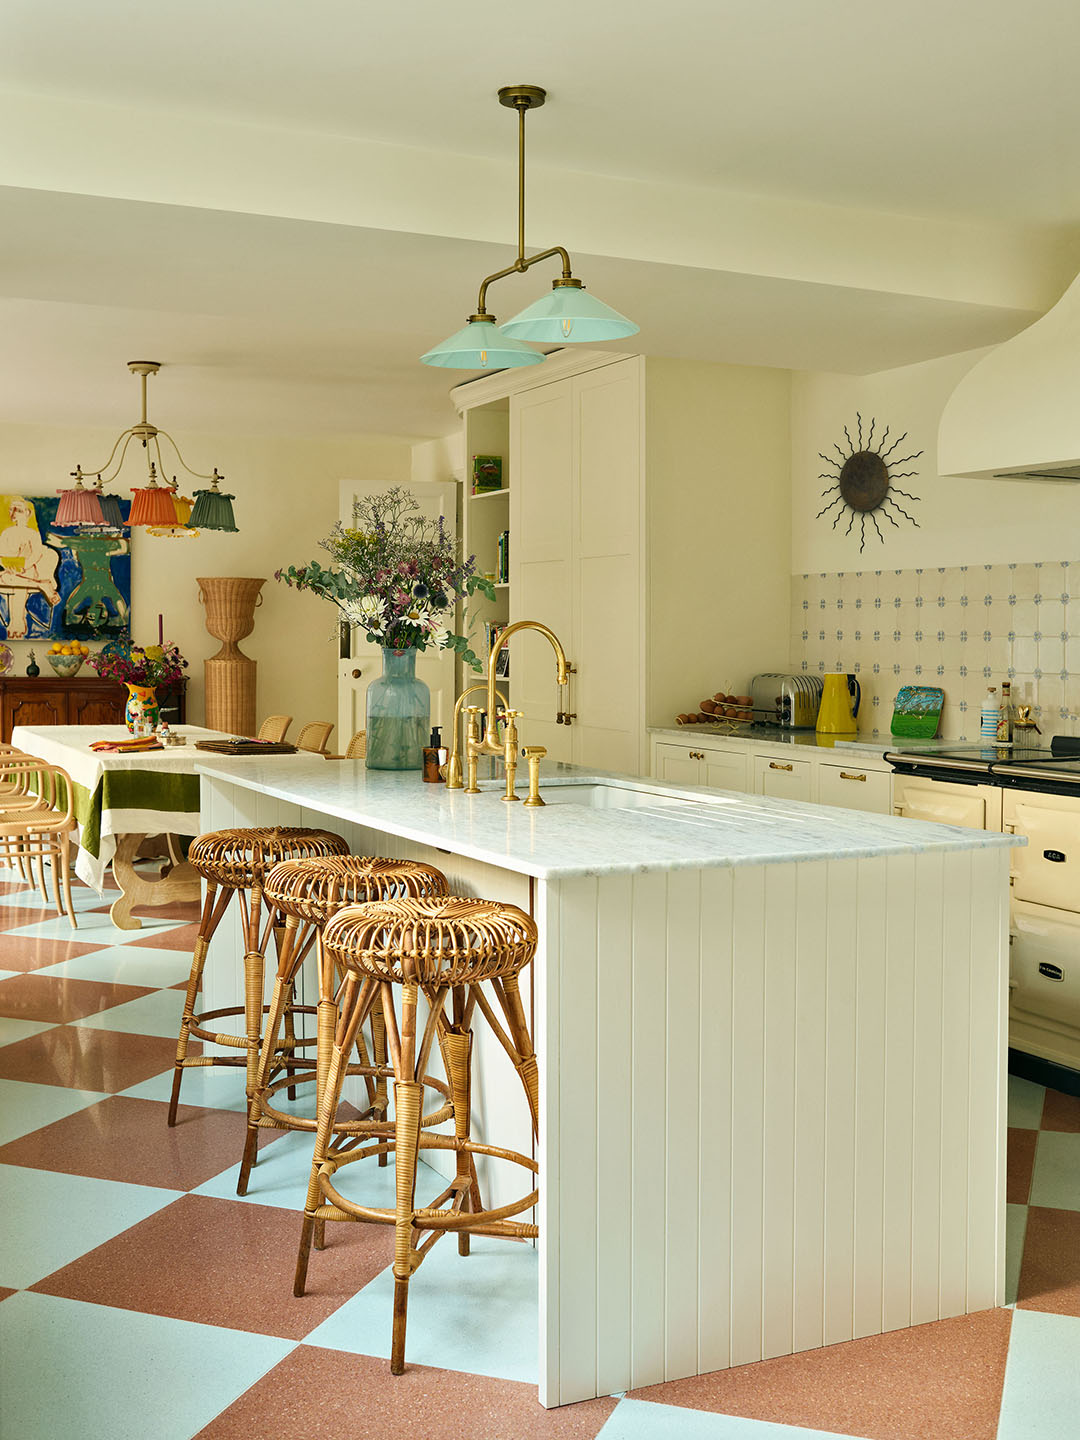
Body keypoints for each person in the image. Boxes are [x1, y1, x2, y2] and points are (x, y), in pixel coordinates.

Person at [0, 498, 61, 639]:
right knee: (9, 577)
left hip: (29, 571)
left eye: (19, 510)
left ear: (27, 513)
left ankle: (16, 622)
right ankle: (41, 585)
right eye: (12, 510)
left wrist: (23, 567)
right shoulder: (6, 533)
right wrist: (8, 566)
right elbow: (1, 554)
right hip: (12, 572)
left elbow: (36, 554)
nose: (15, 514)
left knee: (18, 585)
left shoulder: (33, 534)